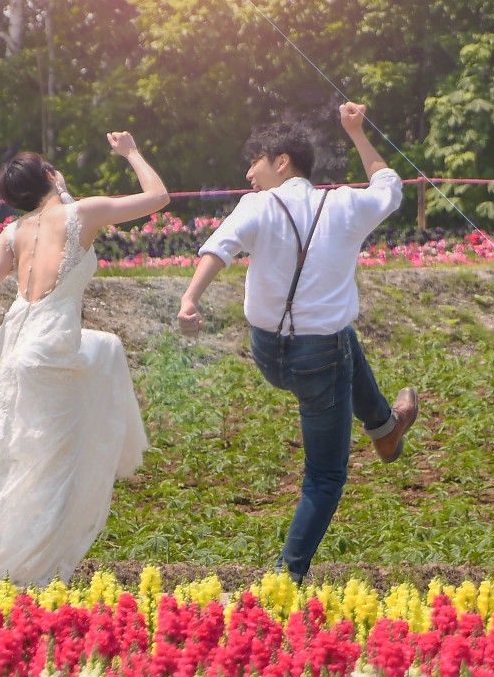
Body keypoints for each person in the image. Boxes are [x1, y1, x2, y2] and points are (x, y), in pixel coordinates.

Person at [176, 102, 419, 582]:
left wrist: (189, 299)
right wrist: (357, 132)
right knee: (325, 476)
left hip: (268, 353)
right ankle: (288, 577)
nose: (248, 173)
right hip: (320, 363)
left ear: (281, 161)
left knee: (341, 333)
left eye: (255, 161)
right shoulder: (347, 204)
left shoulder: (257, 206)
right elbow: (390, 186)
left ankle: (385, 427)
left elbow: (218, 250)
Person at [0, 132, 166, 585]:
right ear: (51, 176)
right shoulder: (82, 213)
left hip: (17, 347)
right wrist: (131, 152)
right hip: (54, 347)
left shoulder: (13, 233)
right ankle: (32, 567)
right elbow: (158, 197)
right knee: (57, 464)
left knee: (16, 457)